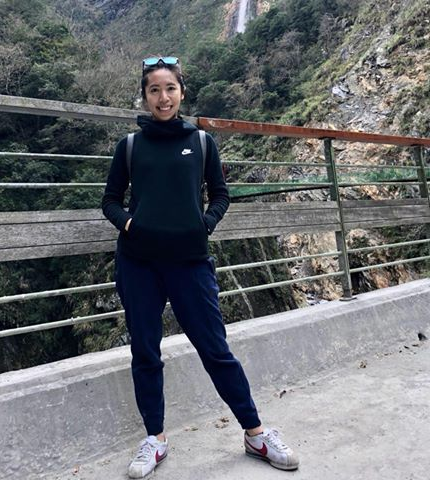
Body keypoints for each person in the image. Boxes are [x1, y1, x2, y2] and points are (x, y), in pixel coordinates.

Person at [102, 56, 299, 479]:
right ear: (145, 96)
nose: (163, 97)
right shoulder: (130, 146)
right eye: (154, 90)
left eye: (170, 88)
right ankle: (155, 439)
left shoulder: (203, 142)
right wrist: (130, 224)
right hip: (138, 263)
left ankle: (255, 433)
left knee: (214, 349)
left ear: (182, 92)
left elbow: (221, 194)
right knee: (145, 351)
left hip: (190, 262)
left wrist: (203, 225)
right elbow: (110, 201)